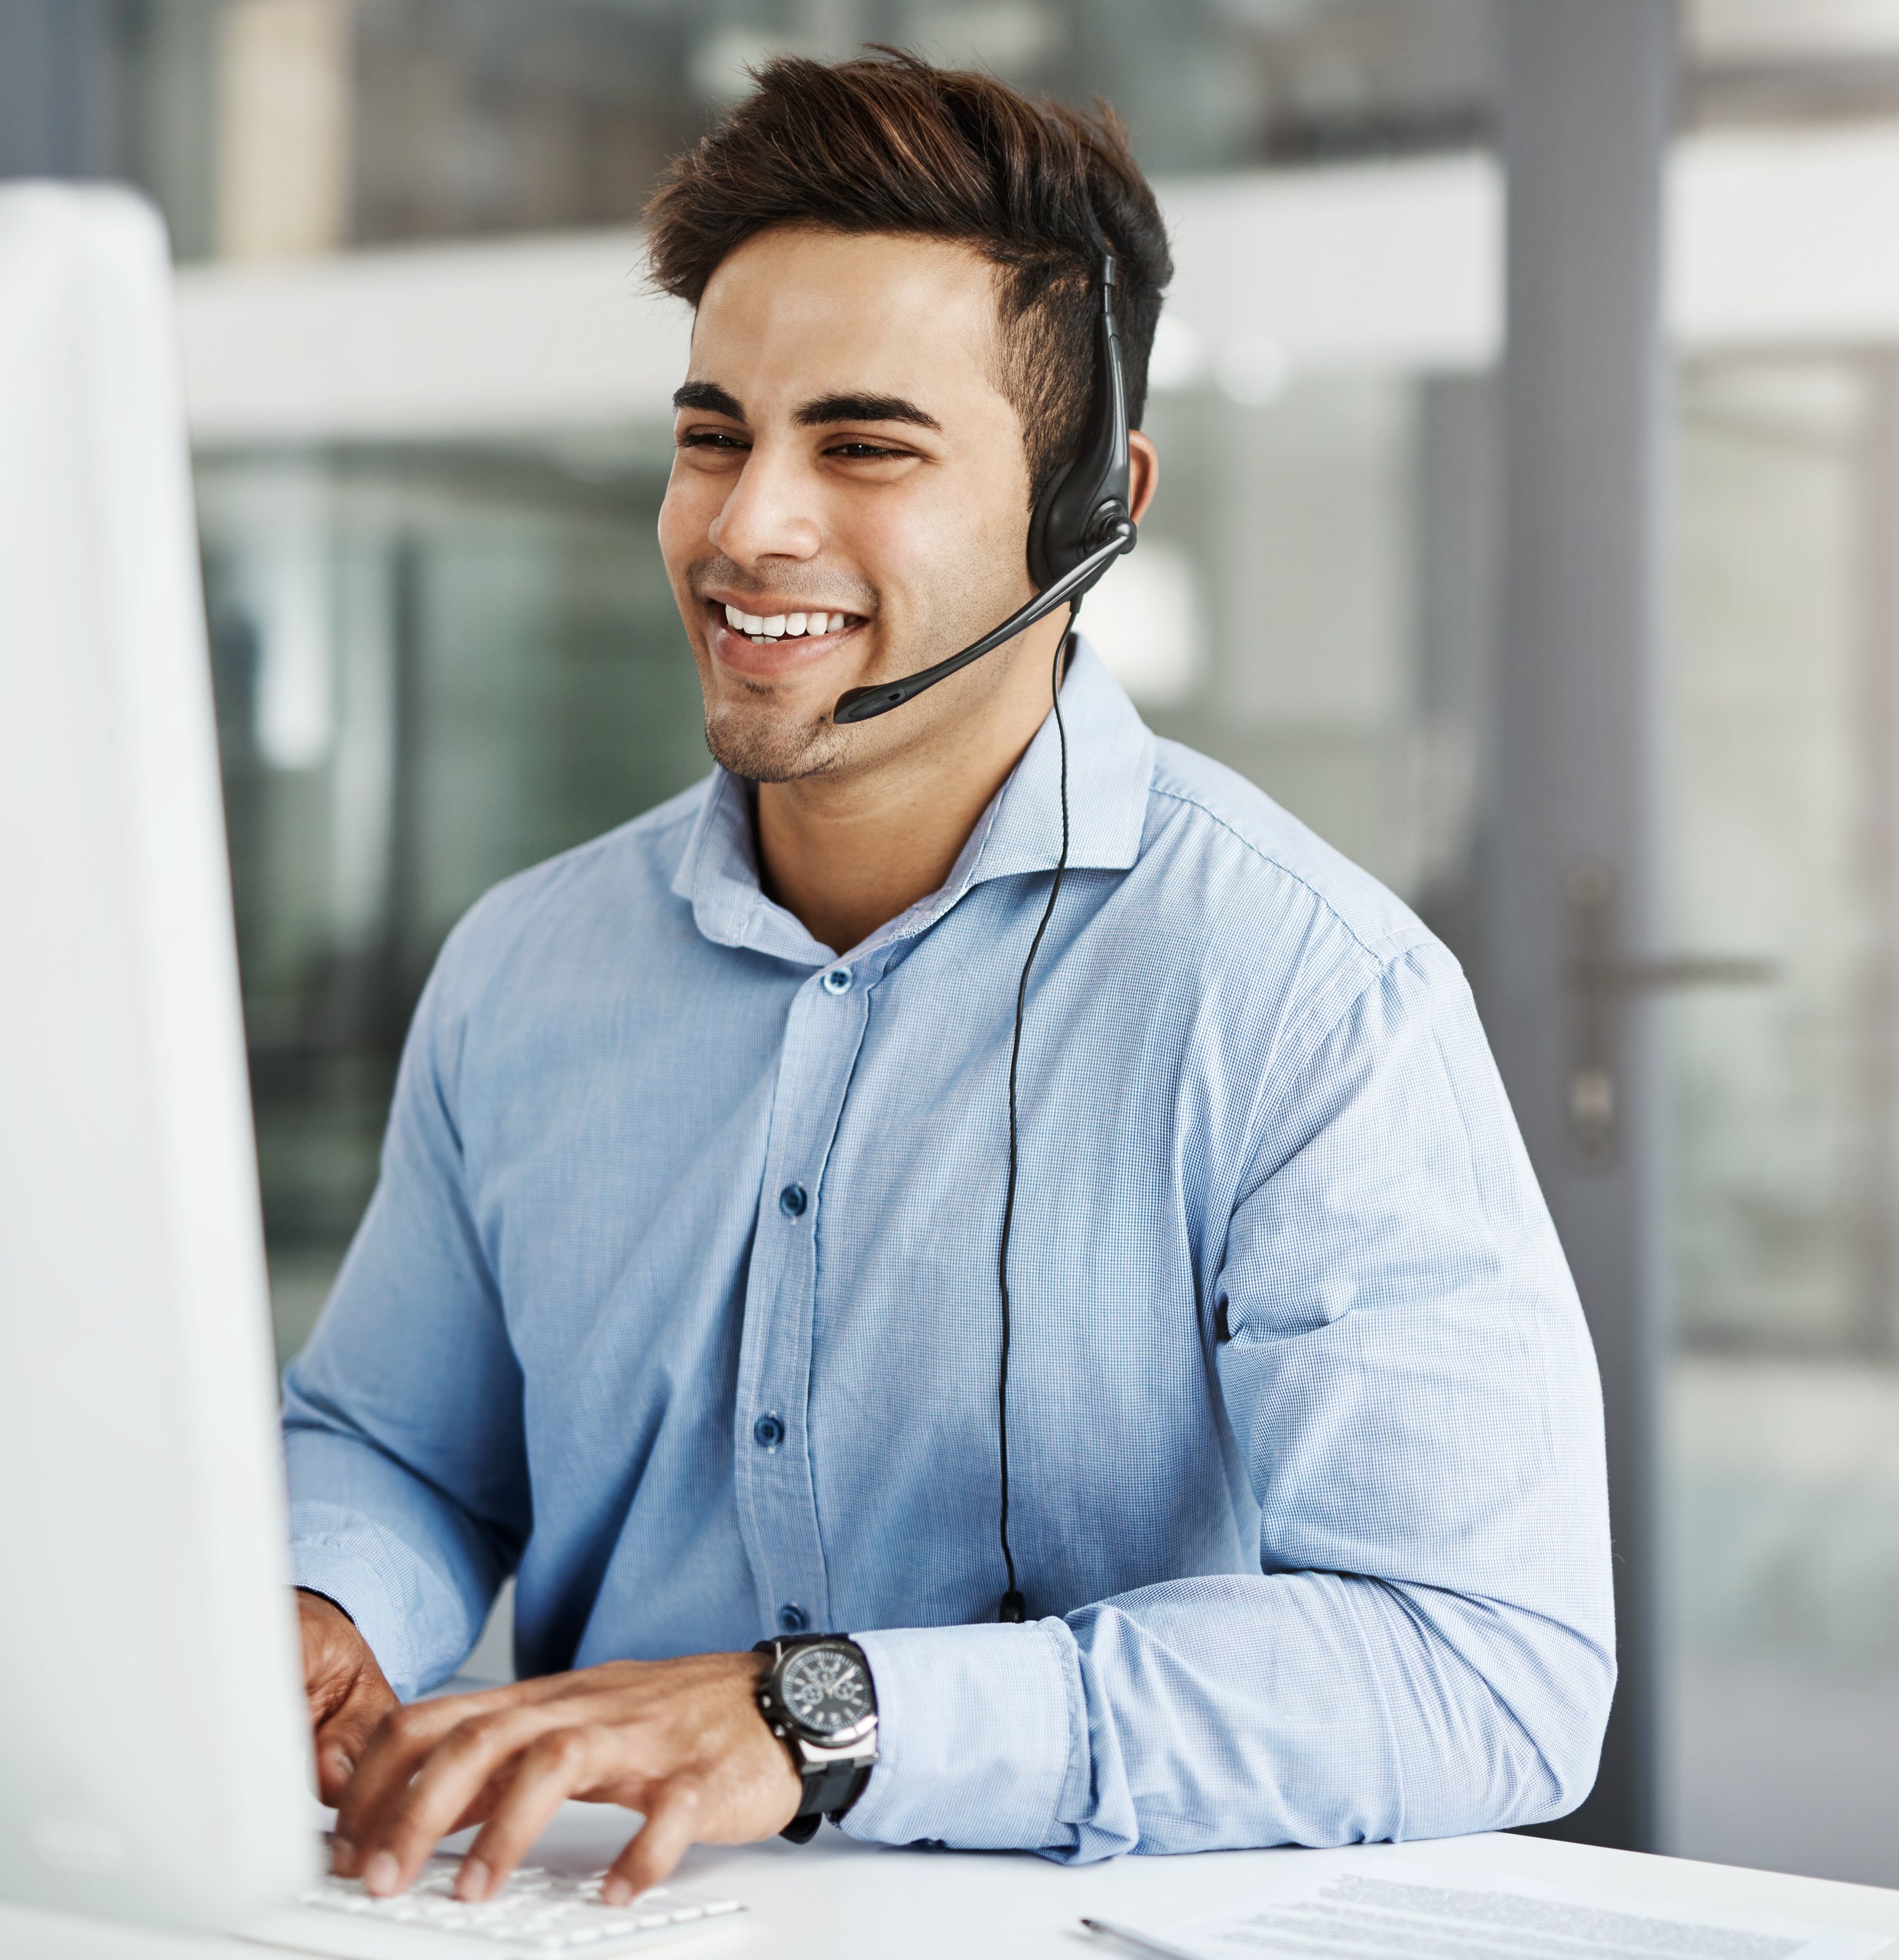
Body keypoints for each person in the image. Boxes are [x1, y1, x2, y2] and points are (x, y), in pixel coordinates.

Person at [283, 48, 1613, 1908]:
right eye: (712, 431)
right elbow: (400, 1445)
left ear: (1095, 500)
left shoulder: (1308, 997)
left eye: (865, 445)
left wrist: (821, 1716)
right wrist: (331, 1593)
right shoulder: (526, 969)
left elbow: (1488, 1664)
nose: (749, 526)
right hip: (585, 1918)